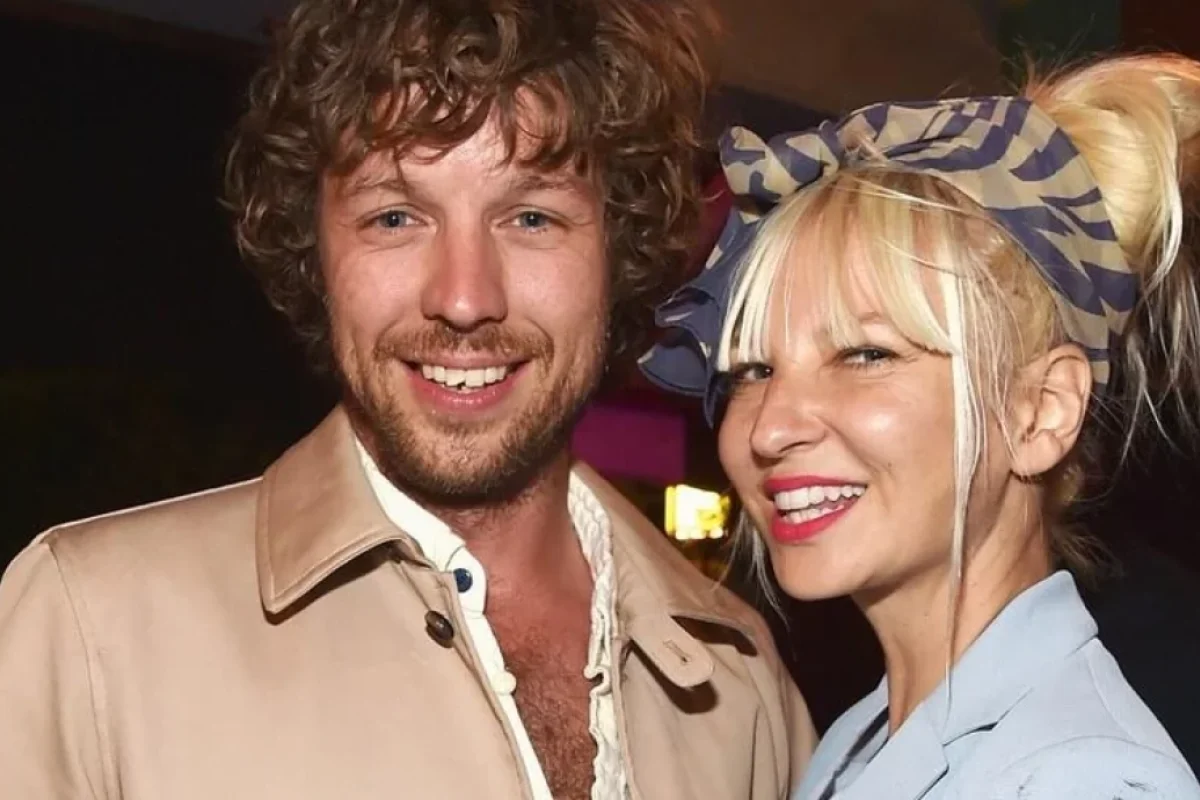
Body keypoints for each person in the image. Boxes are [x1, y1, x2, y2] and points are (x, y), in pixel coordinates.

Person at [0, 1, 817, 797]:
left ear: (618, 251)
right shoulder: (91, 633)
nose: (464, 298)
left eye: (531, 218)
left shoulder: (742, 686)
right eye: (395, 217)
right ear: (316, 253)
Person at [641, 52, 1200, 798]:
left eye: (865, 354)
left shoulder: (1079, 778)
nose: (768, 429)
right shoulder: (863, 739)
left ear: (1042, 411)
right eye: (753, 370)